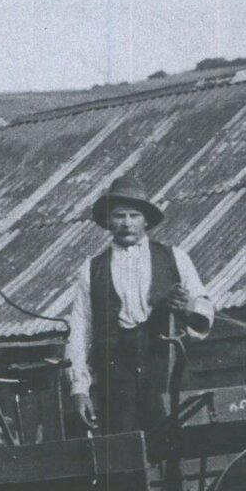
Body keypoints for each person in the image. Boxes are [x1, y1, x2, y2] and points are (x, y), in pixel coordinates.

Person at [64, 175, 215, 446]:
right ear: (108, 222)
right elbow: (80, 331)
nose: (126, 222)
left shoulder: (174, 257)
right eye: (119, 216)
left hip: (165, 371)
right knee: (127, 452)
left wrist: (187, 305)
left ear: (145, 220)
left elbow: (205, 310)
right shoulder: (92, 269)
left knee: (175, 449)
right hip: (117, 378)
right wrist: (79, 389)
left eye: (134, 215)